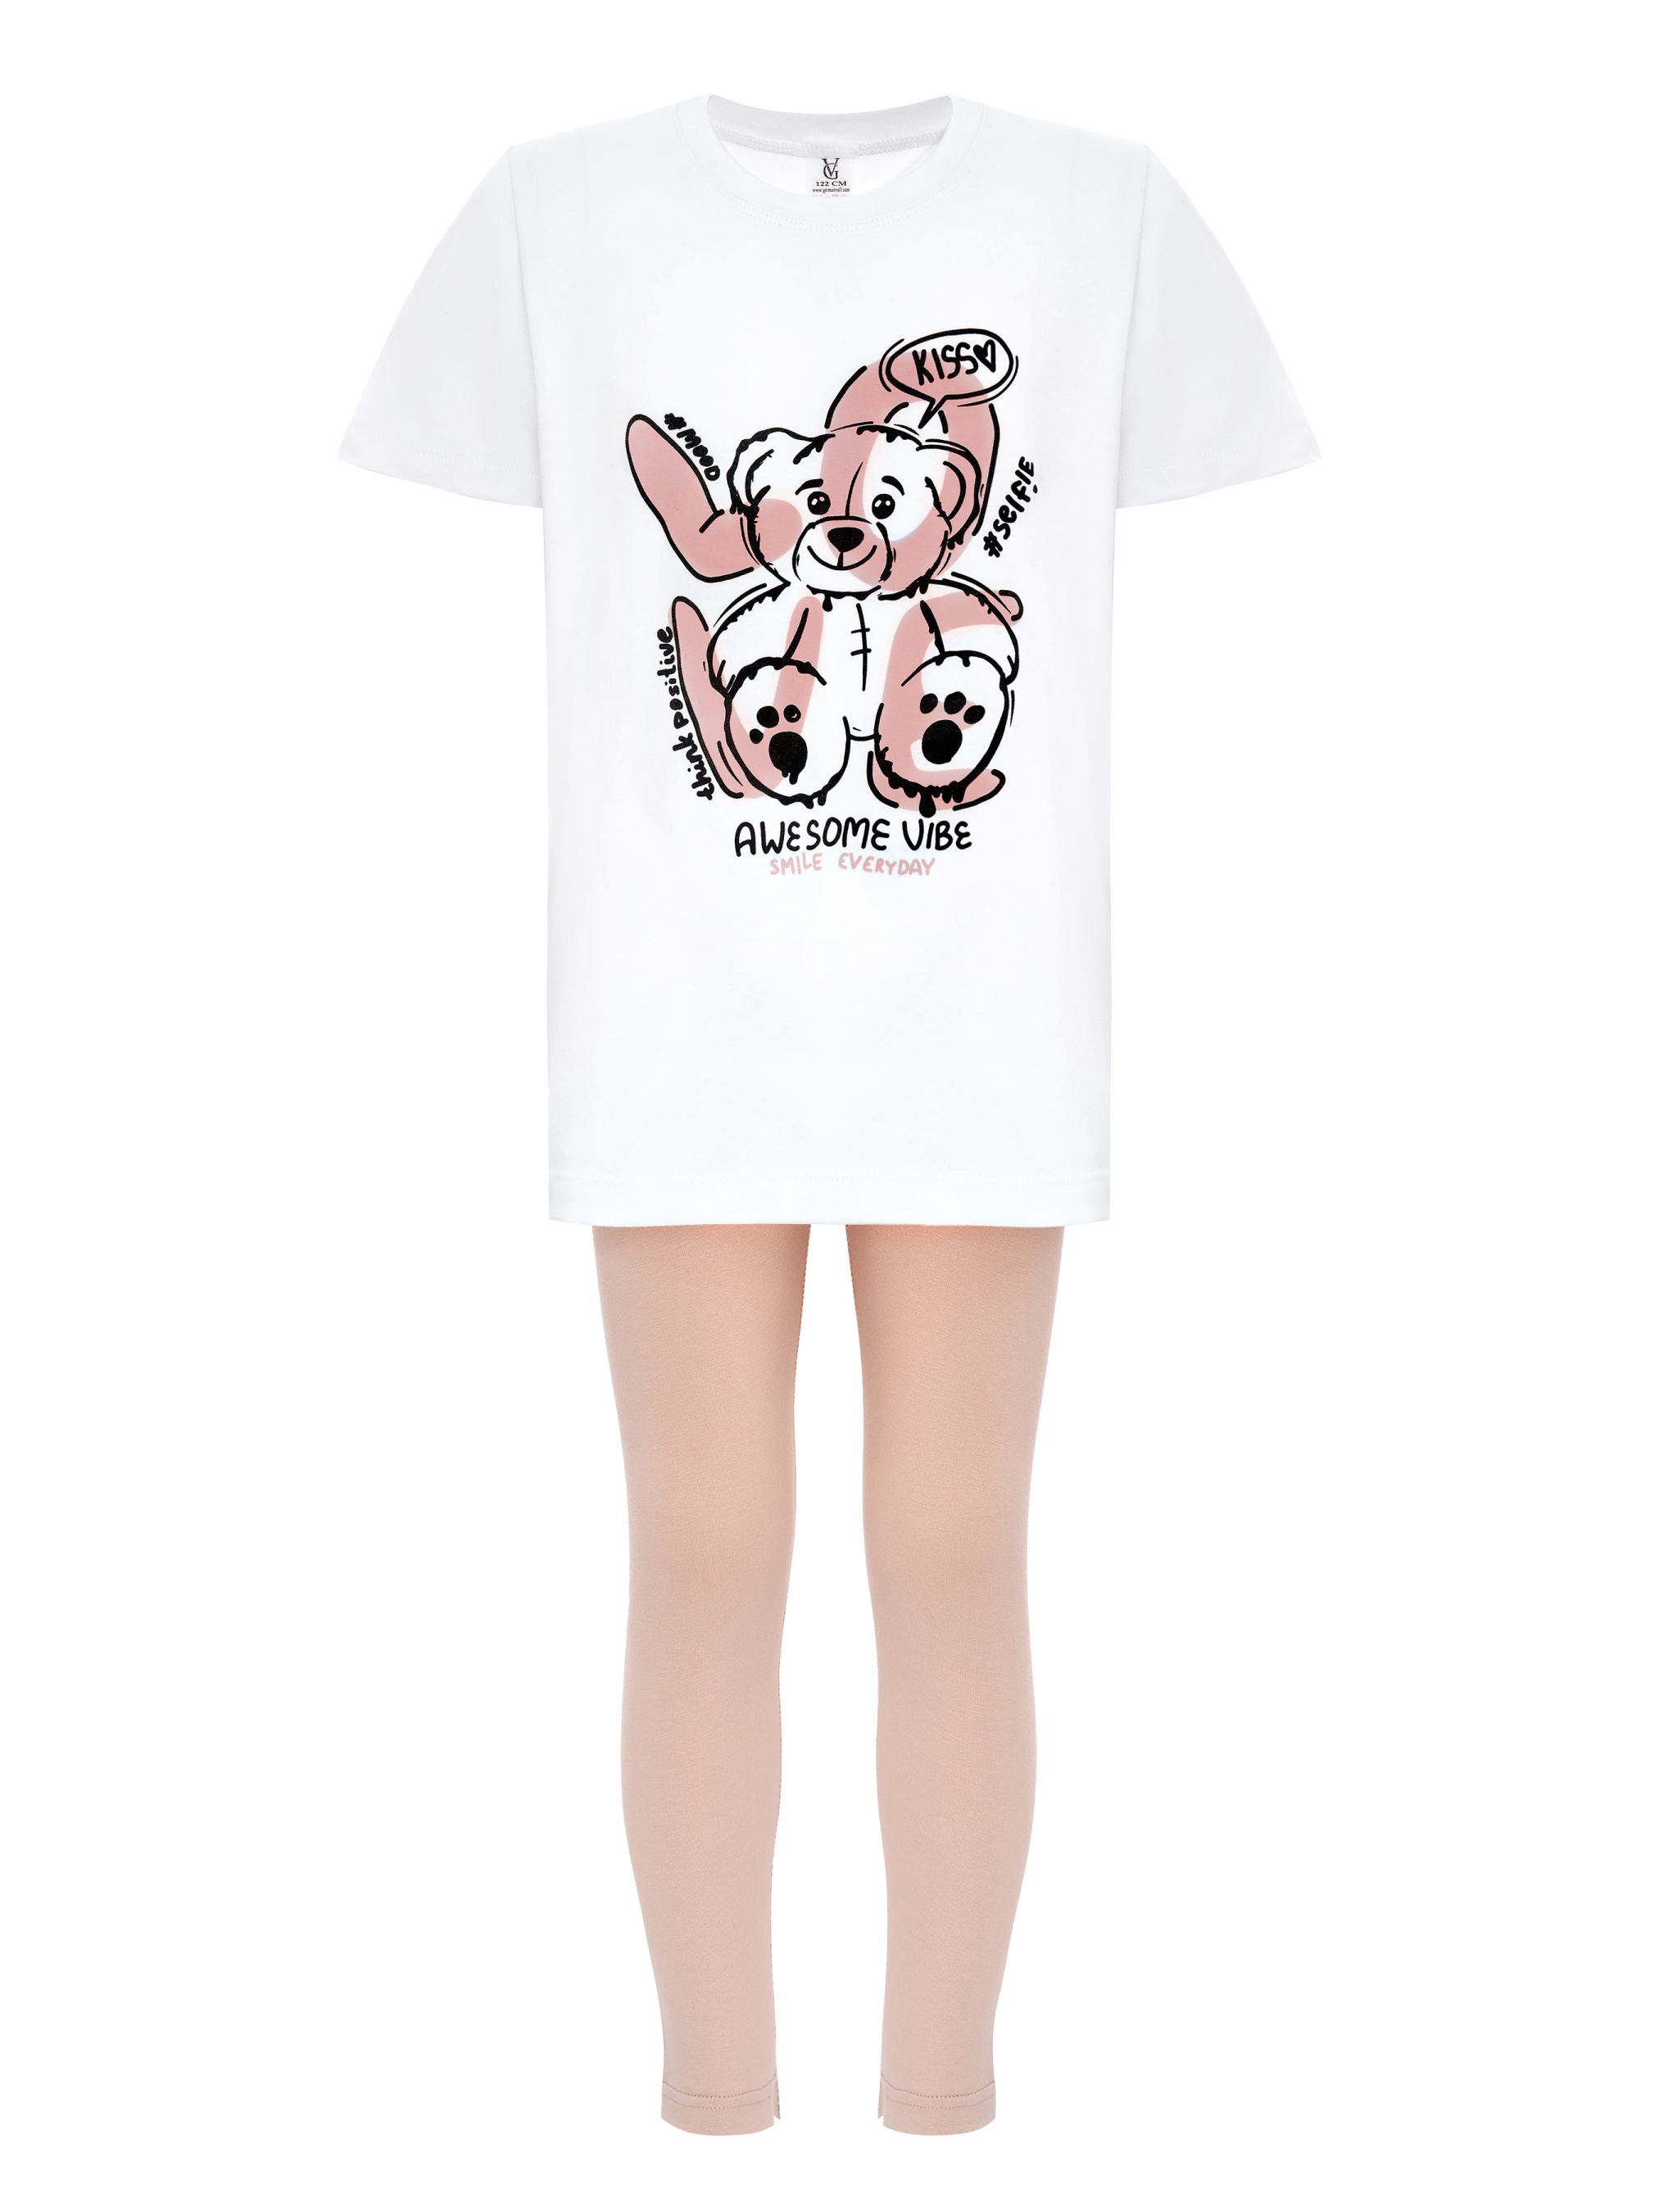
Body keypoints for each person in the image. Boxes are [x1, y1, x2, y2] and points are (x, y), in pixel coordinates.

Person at [341, 92, 1317, 2133]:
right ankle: (715, 2100)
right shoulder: (552, 214)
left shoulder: (1102, 212)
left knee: (947, 1548)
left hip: (979, 1024)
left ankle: (938, 2100)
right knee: (707, 1546)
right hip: (673, 1021)